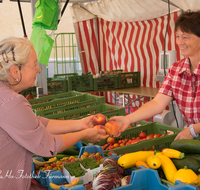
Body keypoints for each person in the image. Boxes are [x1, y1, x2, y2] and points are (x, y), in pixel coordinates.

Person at [0, 37, 108, 190]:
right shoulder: (12, 101)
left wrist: (80, 123)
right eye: (34, 64)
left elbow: (35, 124)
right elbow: (48, 145)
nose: (38, 69)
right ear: (15, 71)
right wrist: (84, 134)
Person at [110, 10, 200, 140]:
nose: (180, 42)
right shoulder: (176, 70)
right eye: (177, 36)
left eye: (185, 37)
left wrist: (193, 129)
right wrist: (127, 119)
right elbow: (157, 103)